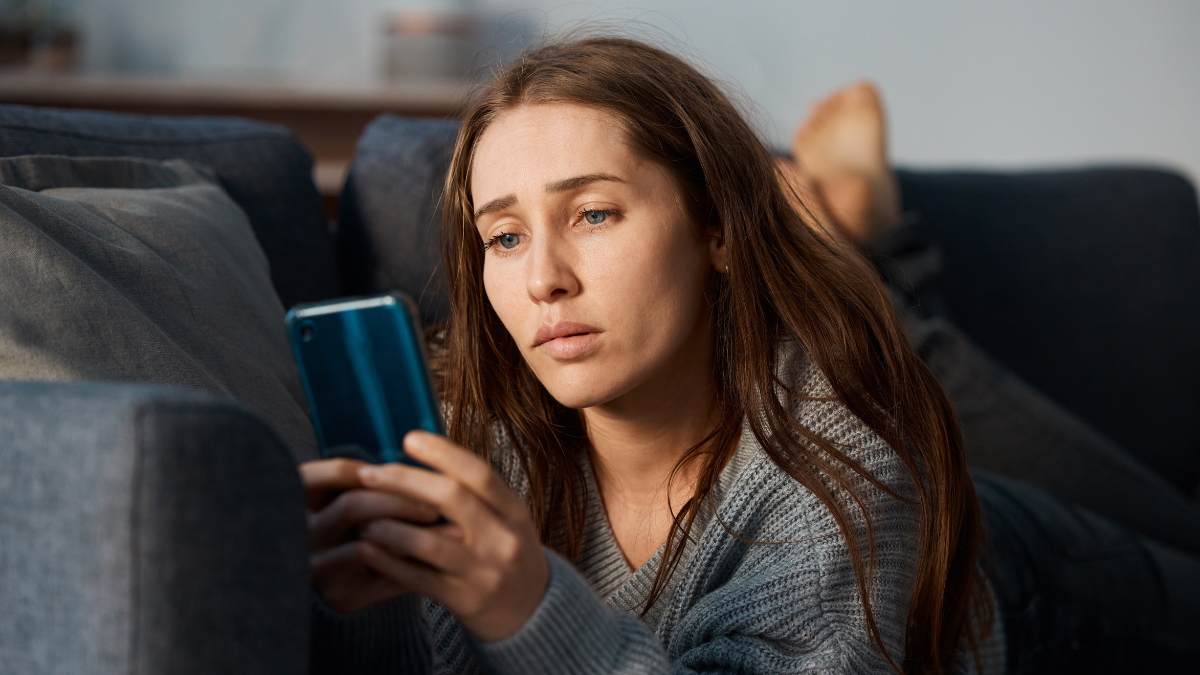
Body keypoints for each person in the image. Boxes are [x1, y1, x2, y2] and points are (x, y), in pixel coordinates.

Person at [302, 37, 1200, 675]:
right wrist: (368, 609)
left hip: (1043, 586)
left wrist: (526, 608)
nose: (543, 279)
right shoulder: (477, 452)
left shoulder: (839, 490)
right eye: (503, 235)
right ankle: (870, 257)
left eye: (595, 213)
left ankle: (868, 260)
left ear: (717, 228)